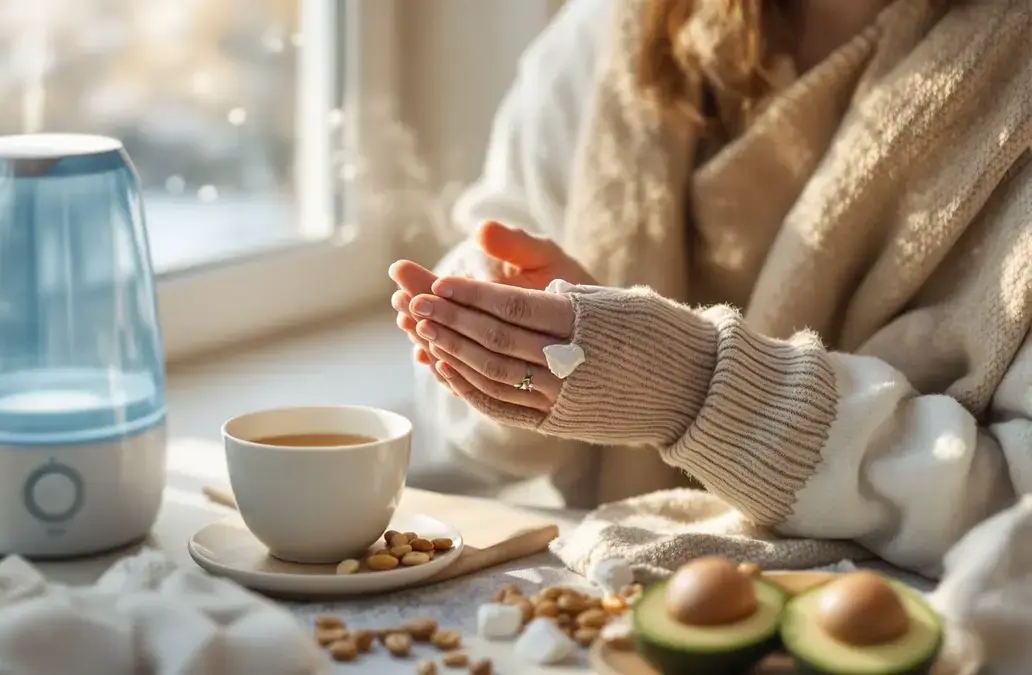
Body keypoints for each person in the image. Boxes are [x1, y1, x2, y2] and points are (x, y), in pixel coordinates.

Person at [390, 0, 1032, 578]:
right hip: (595, 614)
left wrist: (699, 391)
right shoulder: (610, 37)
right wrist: (508, 364)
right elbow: (466, 427)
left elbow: (1015, 507)